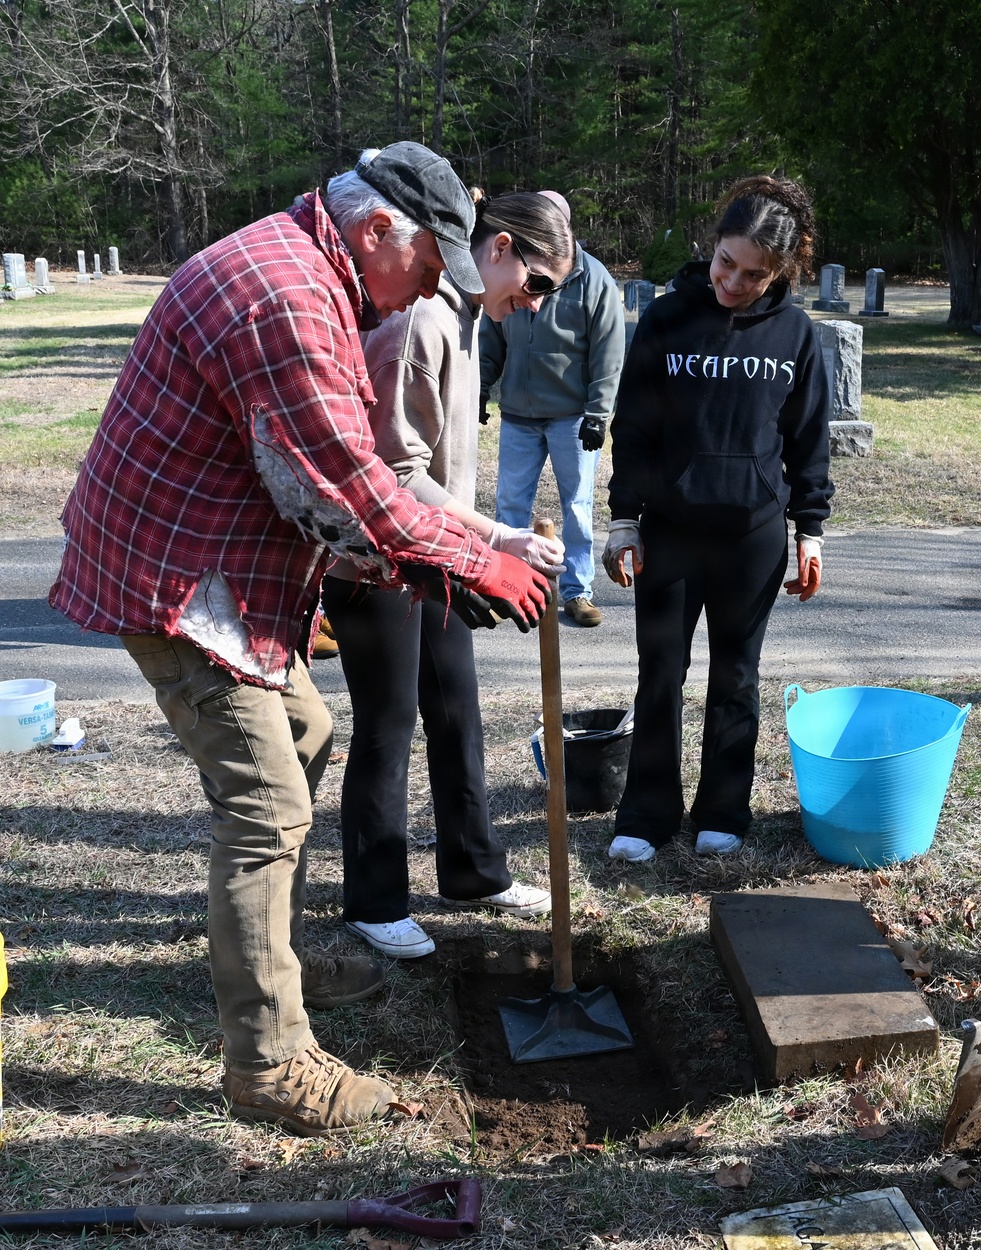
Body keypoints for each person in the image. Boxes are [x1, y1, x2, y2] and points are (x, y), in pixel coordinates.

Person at [48, 141, 553, 1137]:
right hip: (178, 580)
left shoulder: (306, 268)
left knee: (310, 734)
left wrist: (435, 556)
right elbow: (352, 484)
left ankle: (268, 951)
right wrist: (468, 559)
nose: (418, 299)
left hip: (219, 565)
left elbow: (320, 482)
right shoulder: (287, 297)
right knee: (267, 803)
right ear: (376, 233)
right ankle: (269, 1061)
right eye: (420, 273)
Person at [323, 192, 575, 959]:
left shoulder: (467, 322)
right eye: (534, 285)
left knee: (457, 714)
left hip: (437, 558)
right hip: (373, 561)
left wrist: (480, 542)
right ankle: (374, 900)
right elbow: (395, 475)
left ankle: (472, 872)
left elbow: (447, 466)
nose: (531, 305)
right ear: (498, 248)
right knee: (389, 725)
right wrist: (499, 537)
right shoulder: (421, 321)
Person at [602, 175, 833, 863]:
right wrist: (622, 519)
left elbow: (808, 440)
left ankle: (725, 809)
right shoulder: (667, 320)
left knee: (737, 674)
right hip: (670, 531)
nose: (733, 281)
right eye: (725, 262)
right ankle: (646, 812)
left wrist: (809, 530)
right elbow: (634, 427)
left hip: (752, 536)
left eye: (753, 274)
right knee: (659, 671)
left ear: (782, 272)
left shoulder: (796, 334)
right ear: (713, 245)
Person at [479, 190, 626, 628]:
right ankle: (508, 586)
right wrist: (481, 391)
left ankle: (577, 591)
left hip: (572, 416)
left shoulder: (593, 279)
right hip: (520, 415)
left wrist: (598, 415)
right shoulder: (512, 274)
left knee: (577, 508)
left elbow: (608, 353)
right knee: (510, 507)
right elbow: (492, 338)